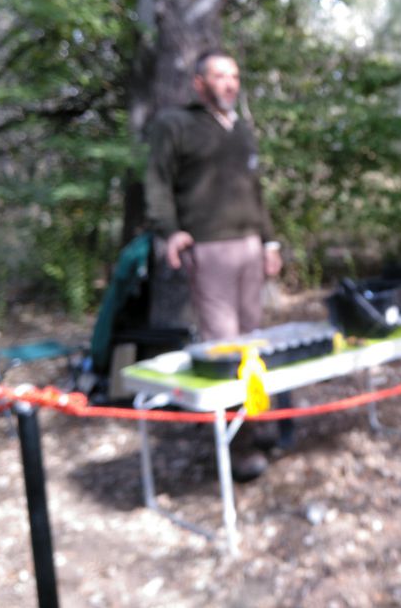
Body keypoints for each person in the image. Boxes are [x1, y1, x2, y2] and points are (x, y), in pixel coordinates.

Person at [145, 49, 283, 480]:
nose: (229, 83)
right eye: (219, 76)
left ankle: (258, 424)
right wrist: (170, 231)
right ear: (199, 84)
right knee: (225, 347)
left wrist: (270, 241)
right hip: (208, 250)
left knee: (253, 343)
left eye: (235, 76)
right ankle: (237, 448)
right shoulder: (176, 125)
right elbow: (157, 181)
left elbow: (254, 191)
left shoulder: (240, 129)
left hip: (249, 248)